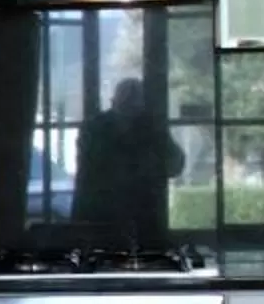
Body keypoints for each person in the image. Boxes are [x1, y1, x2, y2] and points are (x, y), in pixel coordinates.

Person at [71, 75, 185, 236]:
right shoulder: (150, 128)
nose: (131, 108)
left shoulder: (94, 127)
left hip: (113, 212)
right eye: (128, 103)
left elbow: (174, 163)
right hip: (120, 212)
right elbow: (174, 163)